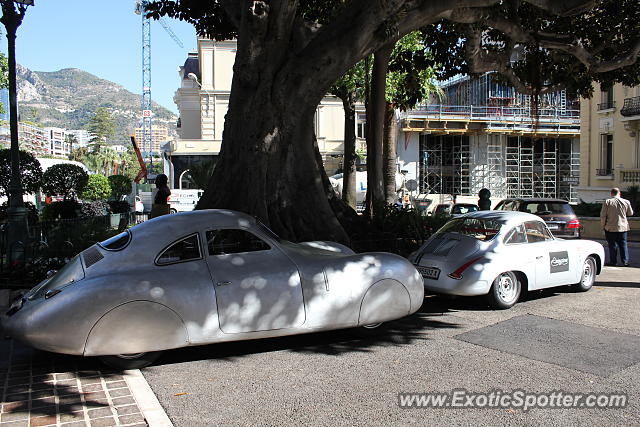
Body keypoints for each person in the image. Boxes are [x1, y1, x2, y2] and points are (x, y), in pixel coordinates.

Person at [600, 187, 634, 266]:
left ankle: (613, 261)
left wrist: (603, 226)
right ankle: (625, 261)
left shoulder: (607, 202)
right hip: (623, 227)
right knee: (623, 244)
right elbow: (630, 213)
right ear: (620, 193)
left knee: (612, 245)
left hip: (610, 227)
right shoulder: (626, 202)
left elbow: (603, 215)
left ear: (611, 194)